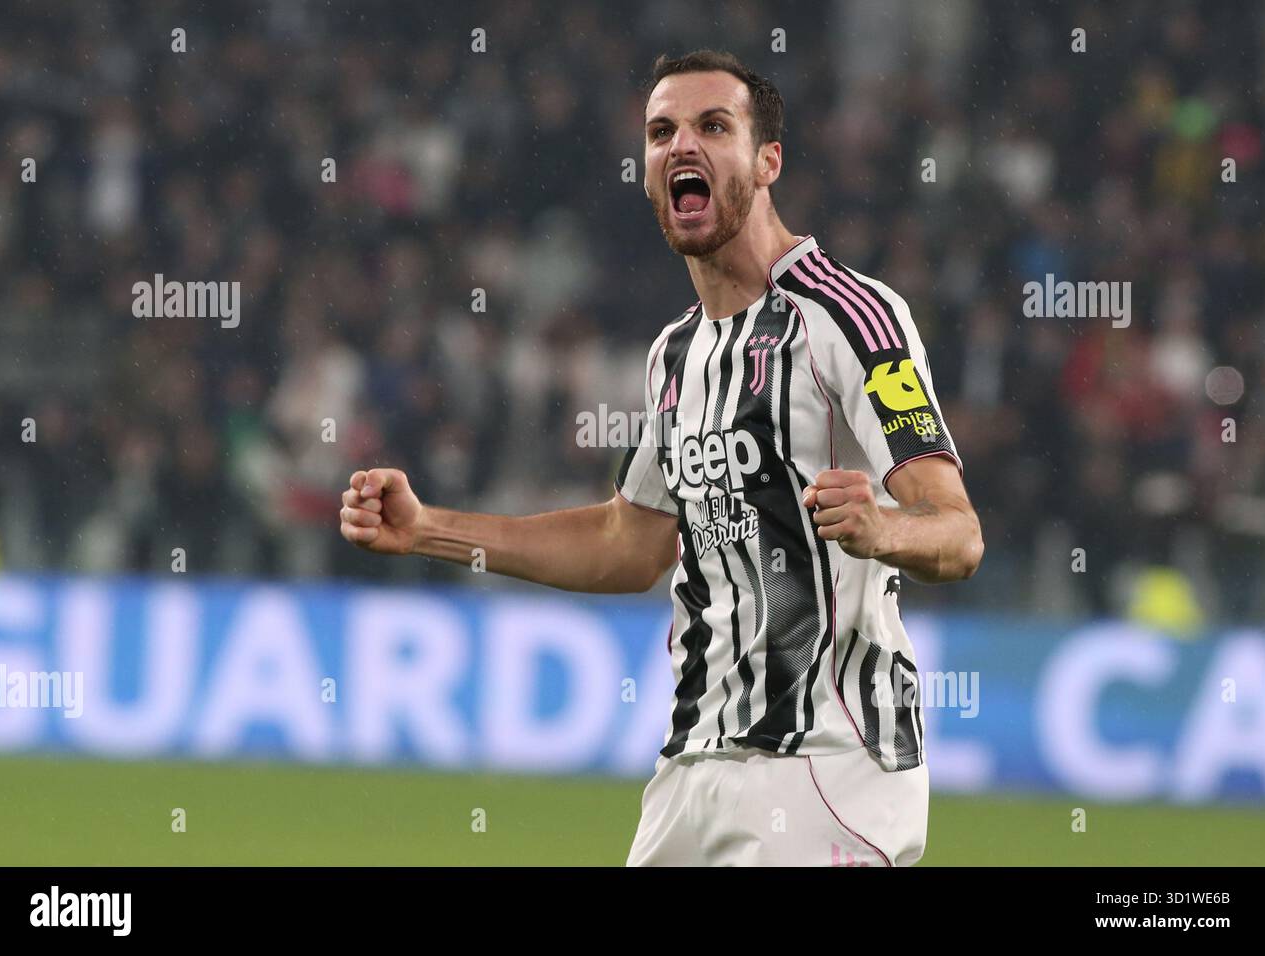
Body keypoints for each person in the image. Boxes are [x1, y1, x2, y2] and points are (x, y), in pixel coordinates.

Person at [339, 49, 983, 867]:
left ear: (767, 160)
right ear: (646, 171)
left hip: (827, 766)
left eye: (714, 126)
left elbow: (958, 534)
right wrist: (428, 529)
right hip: (690, 771)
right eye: (660, 131)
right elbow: (627, 543)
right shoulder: (676, 354)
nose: (683, 145)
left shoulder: (853, 319)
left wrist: (883, 529)